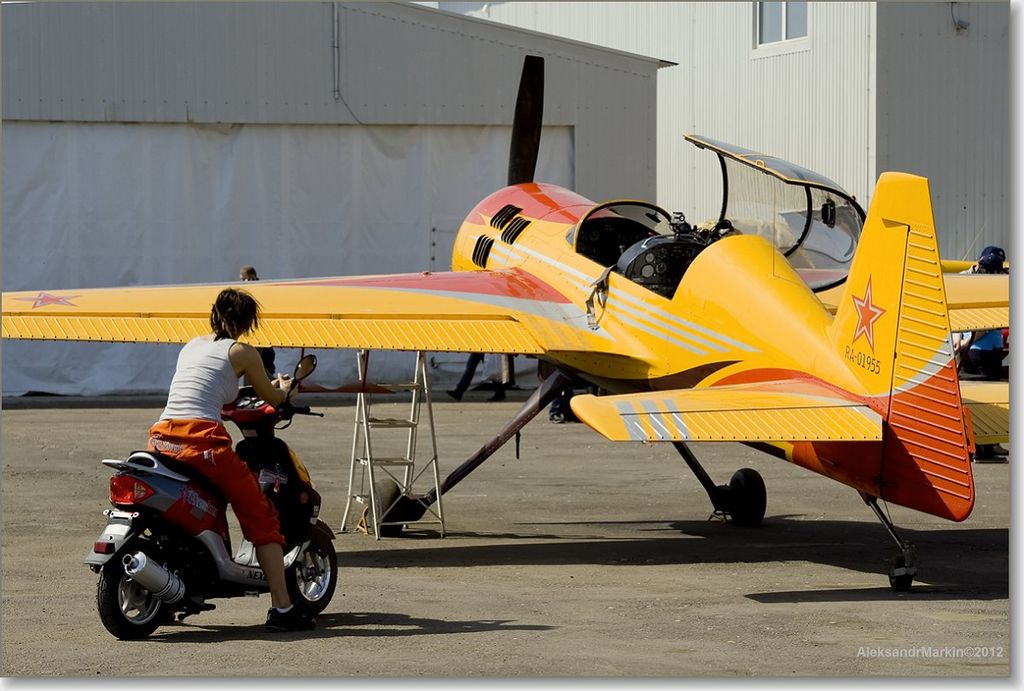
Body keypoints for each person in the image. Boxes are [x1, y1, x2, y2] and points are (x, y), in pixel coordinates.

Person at [147, 288, 315, 631]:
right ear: (248, 322)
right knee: (262, 516)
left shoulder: (191, 346)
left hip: (161, 438)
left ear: (214, 313)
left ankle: (169, 590)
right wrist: (285, 388)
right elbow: (272, 397)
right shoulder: (243, 351)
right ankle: (283, 608)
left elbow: (209, 388)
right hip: (201, 442)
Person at [953, 246, 1009, 461]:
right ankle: (984, 448)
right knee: (987, 399)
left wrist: (959, 341)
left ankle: (983, 445)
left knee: (971, 396)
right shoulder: (989, 286)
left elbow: (957, 315)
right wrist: (965, 342)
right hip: (982, 352)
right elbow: (983, 327)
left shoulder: (964, 280)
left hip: (973, 350)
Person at [239, 266, 276, 379]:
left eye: (244, 279)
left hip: (260, 332)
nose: (244, 282)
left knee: (262, 362)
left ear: (251, 277)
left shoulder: (258, 290)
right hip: (255, 332)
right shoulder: (250, 291)